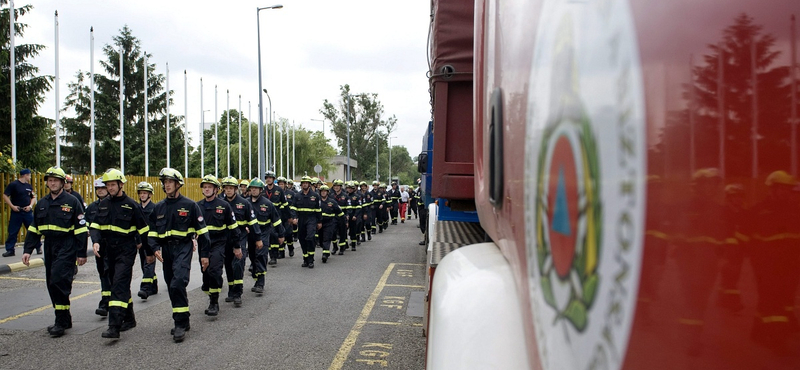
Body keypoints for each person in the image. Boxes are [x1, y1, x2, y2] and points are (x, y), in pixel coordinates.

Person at [21, 166, 87, 337]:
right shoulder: (42, 204)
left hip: (67, 245)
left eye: (55, 180)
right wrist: (27, 250)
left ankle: (60, 321)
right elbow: (34, 229)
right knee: (51, 283)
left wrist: (81, 253)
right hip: (49, 246)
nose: (52, 183)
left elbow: (80, 229)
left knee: (59, 280)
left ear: (62, 183)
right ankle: (65, 318)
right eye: (50, 180)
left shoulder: (72, 202)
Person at [147, 168, 211, 342]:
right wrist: (153, 249)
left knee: (178, 282)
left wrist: (205, 255)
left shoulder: (190, 205)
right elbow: (152, 232)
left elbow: (203, 232)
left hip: (183, 247)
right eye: (164, 182)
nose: (166, 185)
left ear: (178, 184)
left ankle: (180, 324)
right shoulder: (158, 207)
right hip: (166, 250)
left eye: (169, 182)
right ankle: (184, 316)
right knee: (171, 285)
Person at [89, 169, 150, 340]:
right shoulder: (103, 204)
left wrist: (149, 252)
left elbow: (144, 230)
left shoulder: (131, 205)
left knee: (117, 286)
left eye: (112, 185)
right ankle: (129, 319)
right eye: (107, 185)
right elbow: (95, 226)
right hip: (108, 251)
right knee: (118, 285)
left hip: (126, 251)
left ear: (120, 184)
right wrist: (95, 241)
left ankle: (113, 326)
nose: (110, 188)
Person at [196, 175, 240, 317]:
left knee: (215, 270)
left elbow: (233, 228)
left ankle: (214, 303)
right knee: (206, 273)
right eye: (205, 187)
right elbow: (192, 226)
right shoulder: (197, 206)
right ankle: (210, 290)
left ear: (215, 189)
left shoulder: (224, 206)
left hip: (219, 243)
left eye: (209, 187)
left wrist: (237, 246)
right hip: (204, 245)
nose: (207, 189)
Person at [220, 176, 259, 307]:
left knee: (238, 263)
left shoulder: (244, 203)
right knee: (228, 264)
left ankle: (238, 293)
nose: (228, 190)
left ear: (235, 189)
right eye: (226, 188)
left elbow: (253, 222)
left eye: (231, 188)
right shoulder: (220, 203)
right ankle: (231, 290)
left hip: (240, 236)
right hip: (225, 238)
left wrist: (258, 238)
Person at [247, 178, 283, 290]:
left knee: (261, 255)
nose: (254, 190)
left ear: (260, 190)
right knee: (253, 257)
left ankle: (260, 283)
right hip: (250, 234)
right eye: (252, 188)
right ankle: (256, 278)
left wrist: (281, 234)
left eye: (256, 189)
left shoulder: (267, 204)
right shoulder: (245, 203)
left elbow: (276, 220)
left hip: (264, 233)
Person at [85, 178, 111, 317]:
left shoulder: (113, 204)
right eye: (97, 189)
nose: (100, 190)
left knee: (112, 273)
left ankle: (109, 301)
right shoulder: (92, 208)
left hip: (113, 245)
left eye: (102, 188)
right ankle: (106, 300)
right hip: (99, 245)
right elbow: (87, 224)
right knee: (102, 273)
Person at [4, 168, 37, 257]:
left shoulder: (29, 186)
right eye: (29, 175)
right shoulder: (14, 185)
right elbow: (5, 195)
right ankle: (10, 249)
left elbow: (33, 197)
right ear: (25, 175)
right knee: (13, 231)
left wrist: (30, 206)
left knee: (33, 229)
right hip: (17, 211)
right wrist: (12, 206)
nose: (30, 177)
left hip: (27, 211)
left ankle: (38, 247)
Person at [290, 176, 321, 268]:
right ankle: (305, 258)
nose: (305, 184)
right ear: (301, 185)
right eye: (303, 183)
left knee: (310, 237)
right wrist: (294, 217)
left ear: (309, 184)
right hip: (301, 219)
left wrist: (319, 222)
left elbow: (318, 210)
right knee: (302, 239)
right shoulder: (297, 196)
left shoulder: (315, 196)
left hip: (311, 219)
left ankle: (311, 259)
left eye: (306, 183)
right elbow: (293, 208)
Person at [136, 181, 159, 299]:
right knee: (143, 265)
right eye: (141, 193)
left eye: (145, 193)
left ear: (150, 194)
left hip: (151, 241)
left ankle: (145, 288)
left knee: (148, 264)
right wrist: (137, 241)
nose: (142, 195)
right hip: (141, 242)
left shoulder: (154, 208)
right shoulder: (136, 208)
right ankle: (153, 286)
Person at [263, 171, 291, 265]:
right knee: (266, 237)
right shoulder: (263, 190)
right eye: (267, 177)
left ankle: (273, 257)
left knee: (274, 236)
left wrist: (289, 217)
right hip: (264, 217)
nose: (268, 179)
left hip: (276, 216)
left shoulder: (279, 190)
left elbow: (285, 204)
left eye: (270, 178)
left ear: (273, 179)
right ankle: (265, 256)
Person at [318, 185, 342, 263]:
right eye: (322, 191)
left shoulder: (332, 202)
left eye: (325, 191)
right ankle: (325, 249)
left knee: (327, 238)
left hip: (329, 223)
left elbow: (339, 212)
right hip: (320, 223)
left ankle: (325, 254)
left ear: (327, 192)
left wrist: (343, 221)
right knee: (321, 240)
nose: (323, 192)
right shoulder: (317, 202)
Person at [330, 179, 348, 255]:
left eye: (337, 186)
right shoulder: (331, 196)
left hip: (342, 217)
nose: (336, 187)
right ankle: (335, 246)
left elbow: (348, 207)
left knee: (342, 232)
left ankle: (342, 248)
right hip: (333, 216)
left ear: (340, 187)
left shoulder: (345, 196)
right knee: (332, 232)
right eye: (335, 186)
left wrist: (347, 216)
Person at [345, 181, 363, 251]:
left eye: (351, 188)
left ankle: (353, 245)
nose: (349, 189)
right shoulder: (345, 196)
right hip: (346, 216)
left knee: (353, 231)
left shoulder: (357, 197)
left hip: (353, 216)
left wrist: (355, 215)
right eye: (348, 188)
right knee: (344, 231)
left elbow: (359, 207)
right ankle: (345, 244)